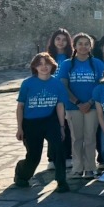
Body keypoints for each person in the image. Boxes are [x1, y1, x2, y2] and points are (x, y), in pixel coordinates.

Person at [15, 53, 70, 193]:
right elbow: (20, 106)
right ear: (35, 67)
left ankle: (62, 181)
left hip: (50, 120)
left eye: (47, 63)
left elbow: (59, 105)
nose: (44, 67)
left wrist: (62, 127)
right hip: (31, 123)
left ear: (52, 65)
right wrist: (20, 128)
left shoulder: (57, 83)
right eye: (40, 64)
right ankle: (21, 173)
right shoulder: (27, 83)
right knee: (34, 156)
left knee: (58, 149)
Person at [59, 33, 104, 179]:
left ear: (90, 46)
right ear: (75, 46)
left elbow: (101, 85)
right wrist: (78, 103)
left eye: (86, 43)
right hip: (73, 107)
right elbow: (64, 86)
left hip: (92, 106)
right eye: (80, 43)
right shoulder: (67, 64)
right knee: (76, 138)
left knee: (90, 137)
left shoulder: (97, 63)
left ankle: (90, 167)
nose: (83, 46)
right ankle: (78, 167)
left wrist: (90, 102)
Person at [46, 28, 73, 171]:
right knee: (53, 129)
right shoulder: (47, 57)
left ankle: (68, 156)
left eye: (64, 39)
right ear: (53, 41)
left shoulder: (72, 58)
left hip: (68, 98)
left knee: (68, 129)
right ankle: (52, 158)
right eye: (58, 39)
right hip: (51, 99)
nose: (61, 42)